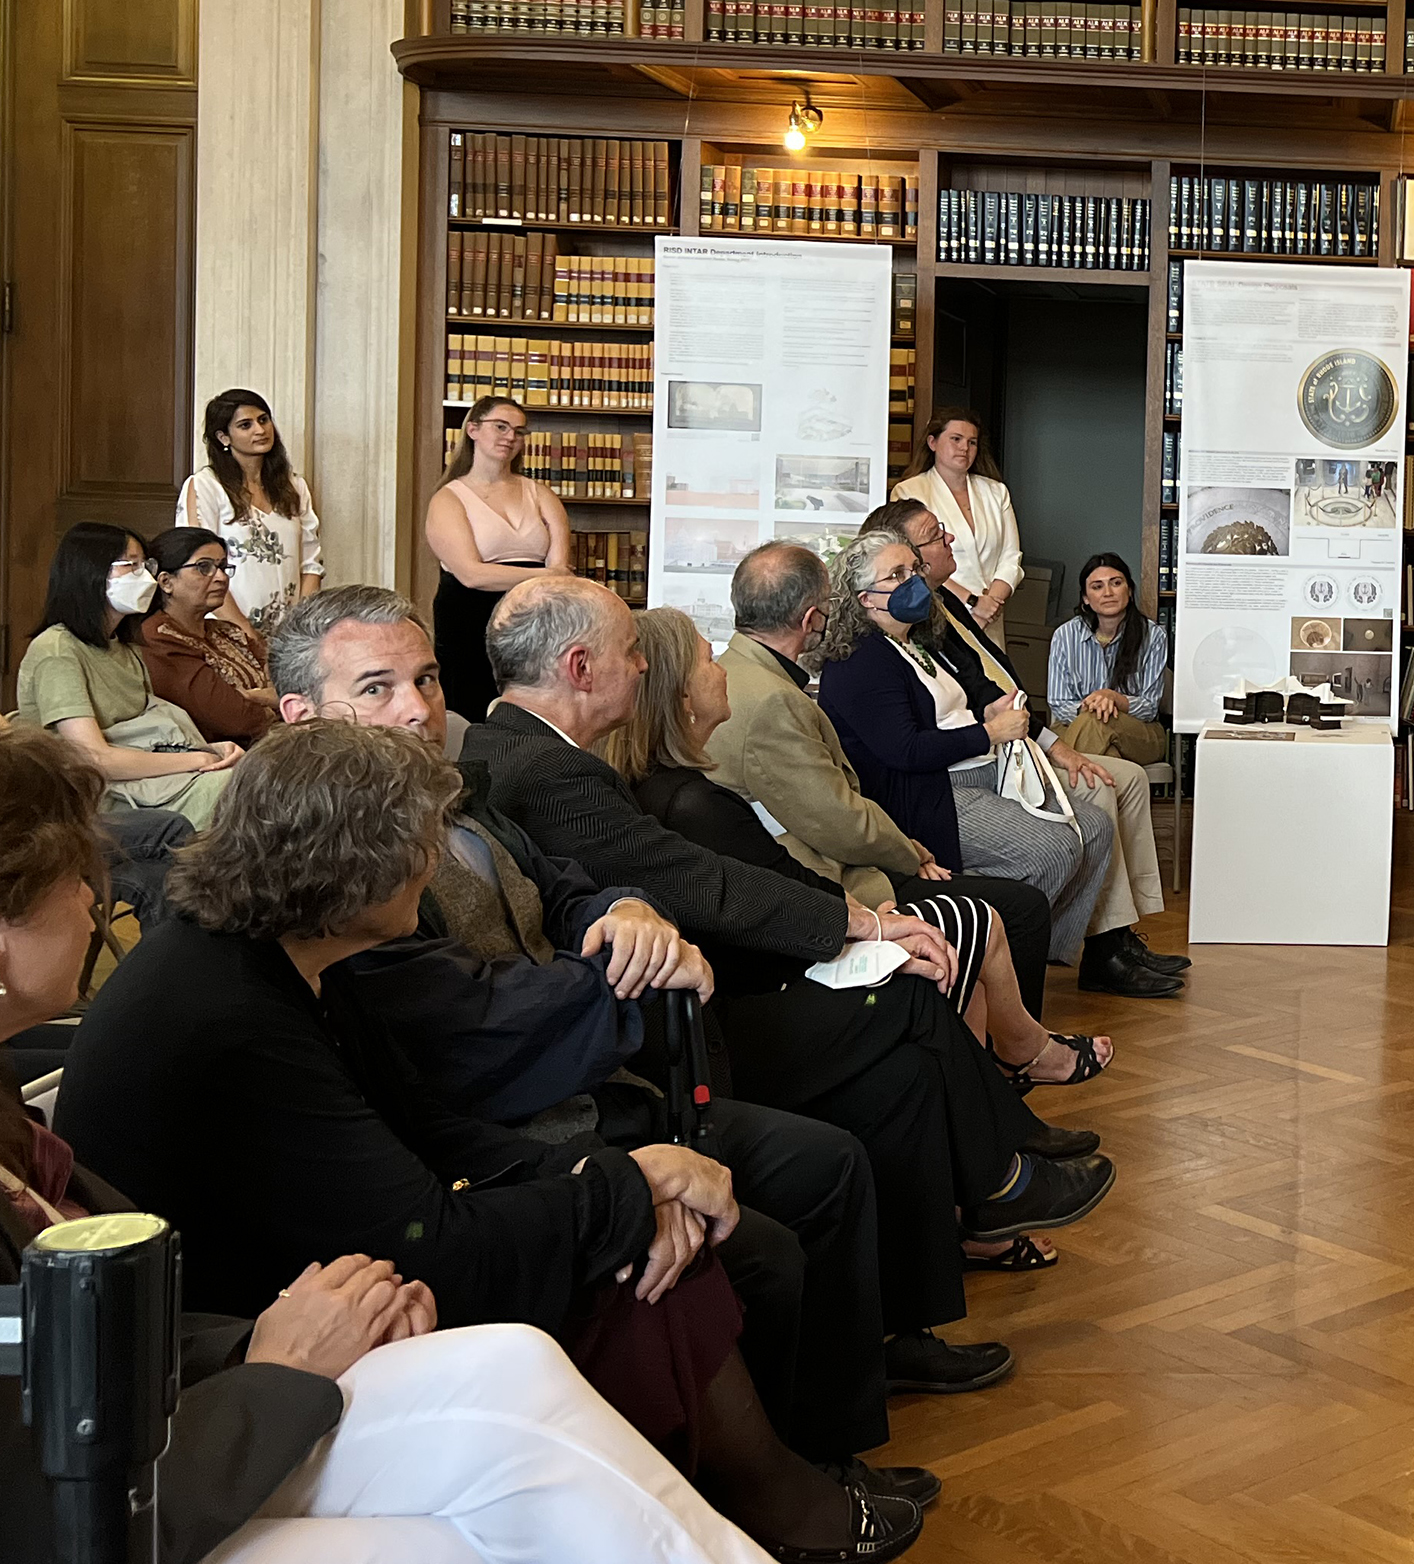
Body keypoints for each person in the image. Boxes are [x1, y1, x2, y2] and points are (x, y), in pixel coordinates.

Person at [52, 722, 922, 1561]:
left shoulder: (273, 954)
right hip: (248, 1329)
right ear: (353, 871)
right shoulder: (227, 1006)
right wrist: (628, 1189)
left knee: (661, 1240)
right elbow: (424, 1236)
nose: (430, 865)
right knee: (642, 1272)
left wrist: (621, 1181)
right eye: (419, 846)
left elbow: (424, 1130)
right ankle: (745, 1505)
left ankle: (720, 1499)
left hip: (309, 1260)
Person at [269, 586, 963, 1460]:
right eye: (376, 688)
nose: (416, 708)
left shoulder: (456, 792)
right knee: (795, 1196)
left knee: (858, 1107)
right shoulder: (346, 854)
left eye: (427, 677)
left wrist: (629, 911)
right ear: (300, 716)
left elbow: (574, 884)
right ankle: (787, 1478)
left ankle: (841, 1434)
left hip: (606, 1070)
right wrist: (636, 980)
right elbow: (462, 1022)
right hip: (520, 1126)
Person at [461, 577, 1115, 1342]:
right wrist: (859, 924)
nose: (642, 667)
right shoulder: (551, 772)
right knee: (908, 1002)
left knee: (903, 1067)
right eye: (630, 652)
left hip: (681, 1006)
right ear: (579, 668)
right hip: (665, 1047)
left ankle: (920, 1311)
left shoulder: (518, 751)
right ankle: (1001, 1176)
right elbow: (700, 881)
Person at [612, 602, 1107, 1094]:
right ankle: (1012, 1081)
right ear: (681, 698)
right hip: (793, 951)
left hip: (819, 902)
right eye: (708, 661)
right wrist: (869, 914)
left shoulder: (684, 782)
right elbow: (808, 845)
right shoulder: (705, 788)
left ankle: (1006, 1082)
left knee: (982, 933)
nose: (722, 671)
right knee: (982, 923)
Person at [708, 545, 1065, 1040]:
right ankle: (1011, 1055)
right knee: (1020, 909)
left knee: (1016, 900)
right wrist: (908, 850)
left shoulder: (740, 673)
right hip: (826, 883)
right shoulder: (773, 699)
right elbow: (838, 820)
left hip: (814, 864)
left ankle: (1006, 1047)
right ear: (813, 617)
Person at [815, 532, 1165, 1001]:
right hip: (932, 795)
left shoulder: (919, 640)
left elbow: (976, 690)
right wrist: (988, 733)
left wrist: (995, 714)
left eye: (913, 570)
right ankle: (1000, 966)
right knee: (1055, 849)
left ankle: (1029, 957)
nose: (913, 582)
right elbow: (906, 751)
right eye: (896, 576)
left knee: (1098, 827)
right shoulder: (862, 659)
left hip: (983, 772)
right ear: (865, 599)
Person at [14, 522, 236, 825]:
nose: (145, 577)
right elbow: (93, 758)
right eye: (130, 565)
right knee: (233, 793)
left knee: (254, 779)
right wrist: (197, 760)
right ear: (90, 573)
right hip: (97, 796)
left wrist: (212, 750)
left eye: (146, 565)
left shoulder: (125, 646)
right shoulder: (56, 649)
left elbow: (149, 731)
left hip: (145, 780)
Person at [427, 395, 570, 720]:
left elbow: (561, 573)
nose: (510, 437)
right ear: (473, 430)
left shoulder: (540, 494)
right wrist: (545, 577)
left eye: (519, 432)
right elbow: (471, 575)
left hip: (533, 619)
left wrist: (550, 579)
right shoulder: (448, 499)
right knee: (471, 713)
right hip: (469, 620)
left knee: (535, 711)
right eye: (501, 427)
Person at [175, 388, 325, 632]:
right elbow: (200, 567)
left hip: (288, 632)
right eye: (246, 425)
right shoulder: (206, 485)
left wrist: (296, 628)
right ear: (224, 437)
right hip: (226, 626)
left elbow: (311, 564)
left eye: (263, 420)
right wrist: (244, 629)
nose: (260, 430)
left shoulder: (294, 486)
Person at [134, 525, 279, 747]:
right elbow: (234, 718)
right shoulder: (157, 638)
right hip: (221, 759)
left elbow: (289, 680)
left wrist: (272, 698)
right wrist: (279, 703)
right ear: (166, 582)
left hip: (273, 742)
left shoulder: (227, 631)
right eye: (204, 567)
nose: (220, 577)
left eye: (222, 567)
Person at [890, 409, 1020, 633]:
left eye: (972, 442)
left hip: (991, 614)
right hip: (941, 611)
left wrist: (989, 606)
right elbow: (912, 563)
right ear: (933, 442)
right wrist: (972, 603)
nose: (964, 448)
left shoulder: (996, 492)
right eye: (956, 439)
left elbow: (1011, 557)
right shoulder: (909, 491)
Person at [1046, 551, 1170, 766]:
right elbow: (1059, 703)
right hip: (1070, 725)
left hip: (1138, 733)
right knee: (1103, 741)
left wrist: (1112, 698)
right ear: (1085, 598)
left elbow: (1149, 707)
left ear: (1129, 590)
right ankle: (1105, 798)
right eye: (1097, 586)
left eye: (1116, 583)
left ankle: (1068, 796)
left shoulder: (1153, 636)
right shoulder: (1065, 636)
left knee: (1097, 720)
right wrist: (1095, 706)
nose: (1108, 592)